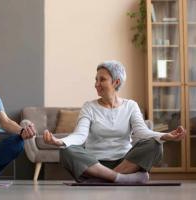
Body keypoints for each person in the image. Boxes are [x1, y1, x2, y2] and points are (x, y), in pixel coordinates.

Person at [43, 60, 186, 183]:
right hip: (94, 163)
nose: (96, 84)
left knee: (155, 144)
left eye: (102, 79)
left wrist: (165, 136)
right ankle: (120, 178)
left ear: (116, 82)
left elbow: (142, 132)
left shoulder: (130, 106)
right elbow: (80, 135)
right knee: (67, 150)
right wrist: (60, 142)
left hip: (125, 162)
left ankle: (104, 178)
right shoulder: (89, 107)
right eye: (96, 79)